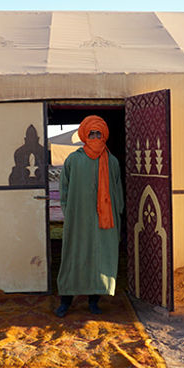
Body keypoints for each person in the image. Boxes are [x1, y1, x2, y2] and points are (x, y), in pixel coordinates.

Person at [55, 115, 124, 317]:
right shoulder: (73, 160)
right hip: (78, 220)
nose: (95, 137)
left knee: (100, 260)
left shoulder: (112, 162)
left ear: (104, 136)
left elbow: (118, 191)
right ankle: (65, 301)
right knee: (73, 258)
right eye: (92, 133)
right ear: (85, 136)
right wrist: (70, 213)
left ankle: (94, 301)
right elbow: (64, 190)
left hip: (104, 223)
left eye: (99, 134)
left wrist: (116, 216)